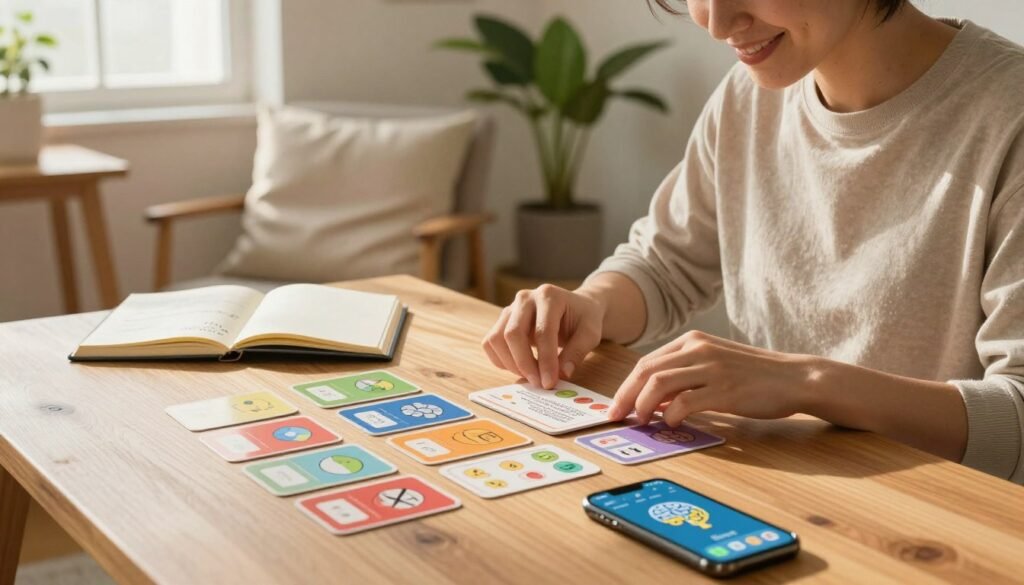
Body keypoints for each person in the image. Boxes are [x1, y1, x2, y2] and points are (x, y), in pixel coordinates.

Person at [482, 0, 1024, 484]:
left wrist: (808, 382)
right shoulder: (750, 94)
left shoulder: (1008, 117)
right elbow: (665, 264)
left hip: (945, 525)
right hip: (777, 489)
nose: (717, 23)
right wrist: (590, 304)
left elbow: (1017, 417)